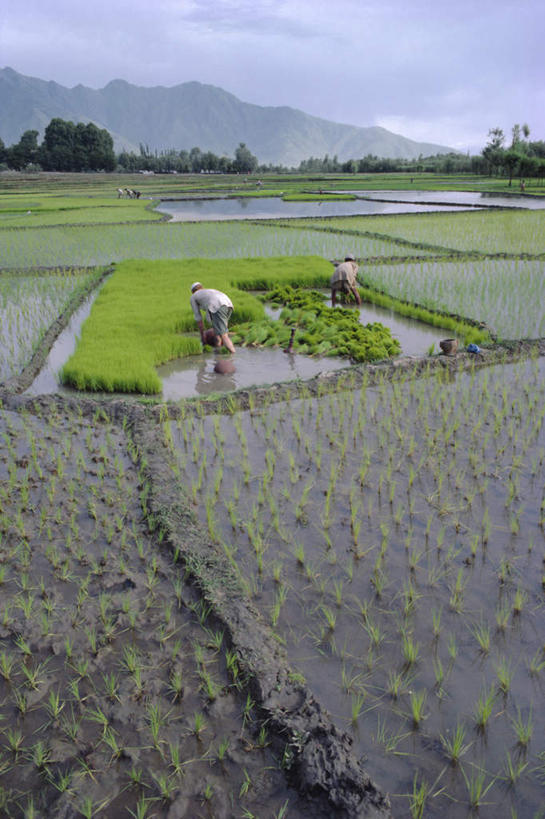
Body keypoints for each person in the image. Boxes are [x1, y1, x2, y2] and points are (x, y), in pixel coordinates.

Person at [190, 282, 236, 353]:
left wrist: (202, 337)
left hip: (217, 306)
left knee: (224, 335)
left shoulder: (193, 297)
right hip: (229, 304)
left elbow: (199, 319)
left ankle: (233, 355)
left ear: (192, 291)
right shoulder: (208, 291)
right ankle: (218, 352)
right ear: (201, 287)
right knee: (219, 332)